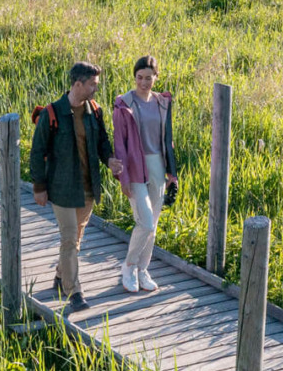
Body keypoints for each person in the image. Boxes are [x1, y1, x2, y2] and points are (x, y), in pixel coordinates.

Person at [31, 61, 122, 312]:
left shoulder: (94, 110)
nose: (96, 89)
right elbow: (37, 152)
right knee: (69, 238)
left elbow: (102, 141)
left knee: (76, 239)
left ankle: (61, 277)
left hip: (88, 186)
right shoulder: (52, 113)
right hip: (61, 188)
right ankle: (74, 292)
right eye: (92, 84)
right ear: (78, 83)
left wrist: (110, 160)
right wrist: (39, 187)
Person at [112, 56, 176, 293]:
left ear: (156, 77)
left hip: (158, 165)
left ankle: (143, 269)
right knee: (145, 223)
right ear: (134, 77)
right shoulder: (124, 104)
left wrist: (172, 172)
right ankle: (129, 266)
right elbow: (119, 144)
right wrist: (123, 177)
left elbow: (168, 139)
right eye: (140, 77)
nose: (144, 82)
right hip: (134, 166)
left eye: (149, 78)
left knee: (154, 223)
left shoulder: (162, 102)